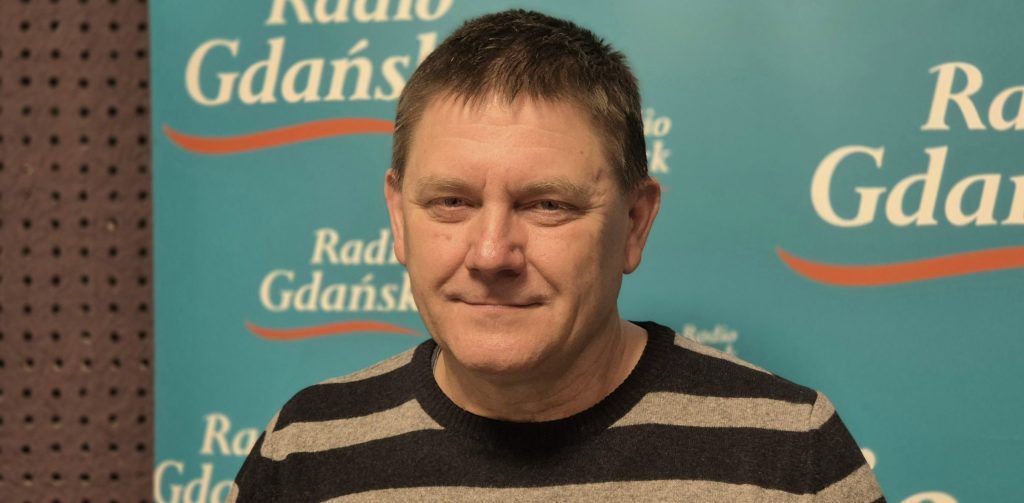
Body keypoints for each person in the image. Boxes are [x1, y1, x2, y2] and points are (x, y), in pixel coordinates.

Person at [229, 9, 885, 502]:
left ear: (634, 223)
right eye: (451, 202)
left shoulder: (791, 457)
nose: (492, 253)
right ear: (399, 218)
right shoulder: (305, 453)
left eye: (546, 204)